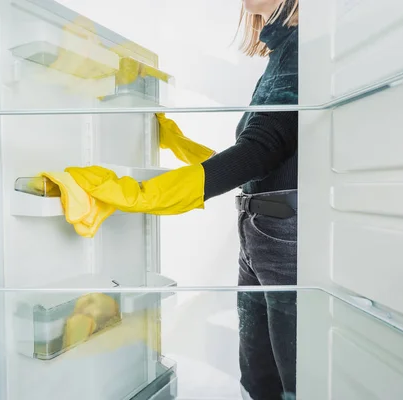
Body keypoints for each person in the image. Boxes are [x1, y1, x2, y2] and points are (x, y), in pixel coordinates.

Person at [57, 1, 299, 398]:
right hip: (262, 232)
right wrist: (177, 141)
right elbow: (266, 157)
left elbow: (262, 150)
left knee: (292, 381)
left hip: (285, 240)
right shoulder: (282, 48)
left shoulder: (303, 45)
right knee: (259, 378)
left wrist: (146, 194)